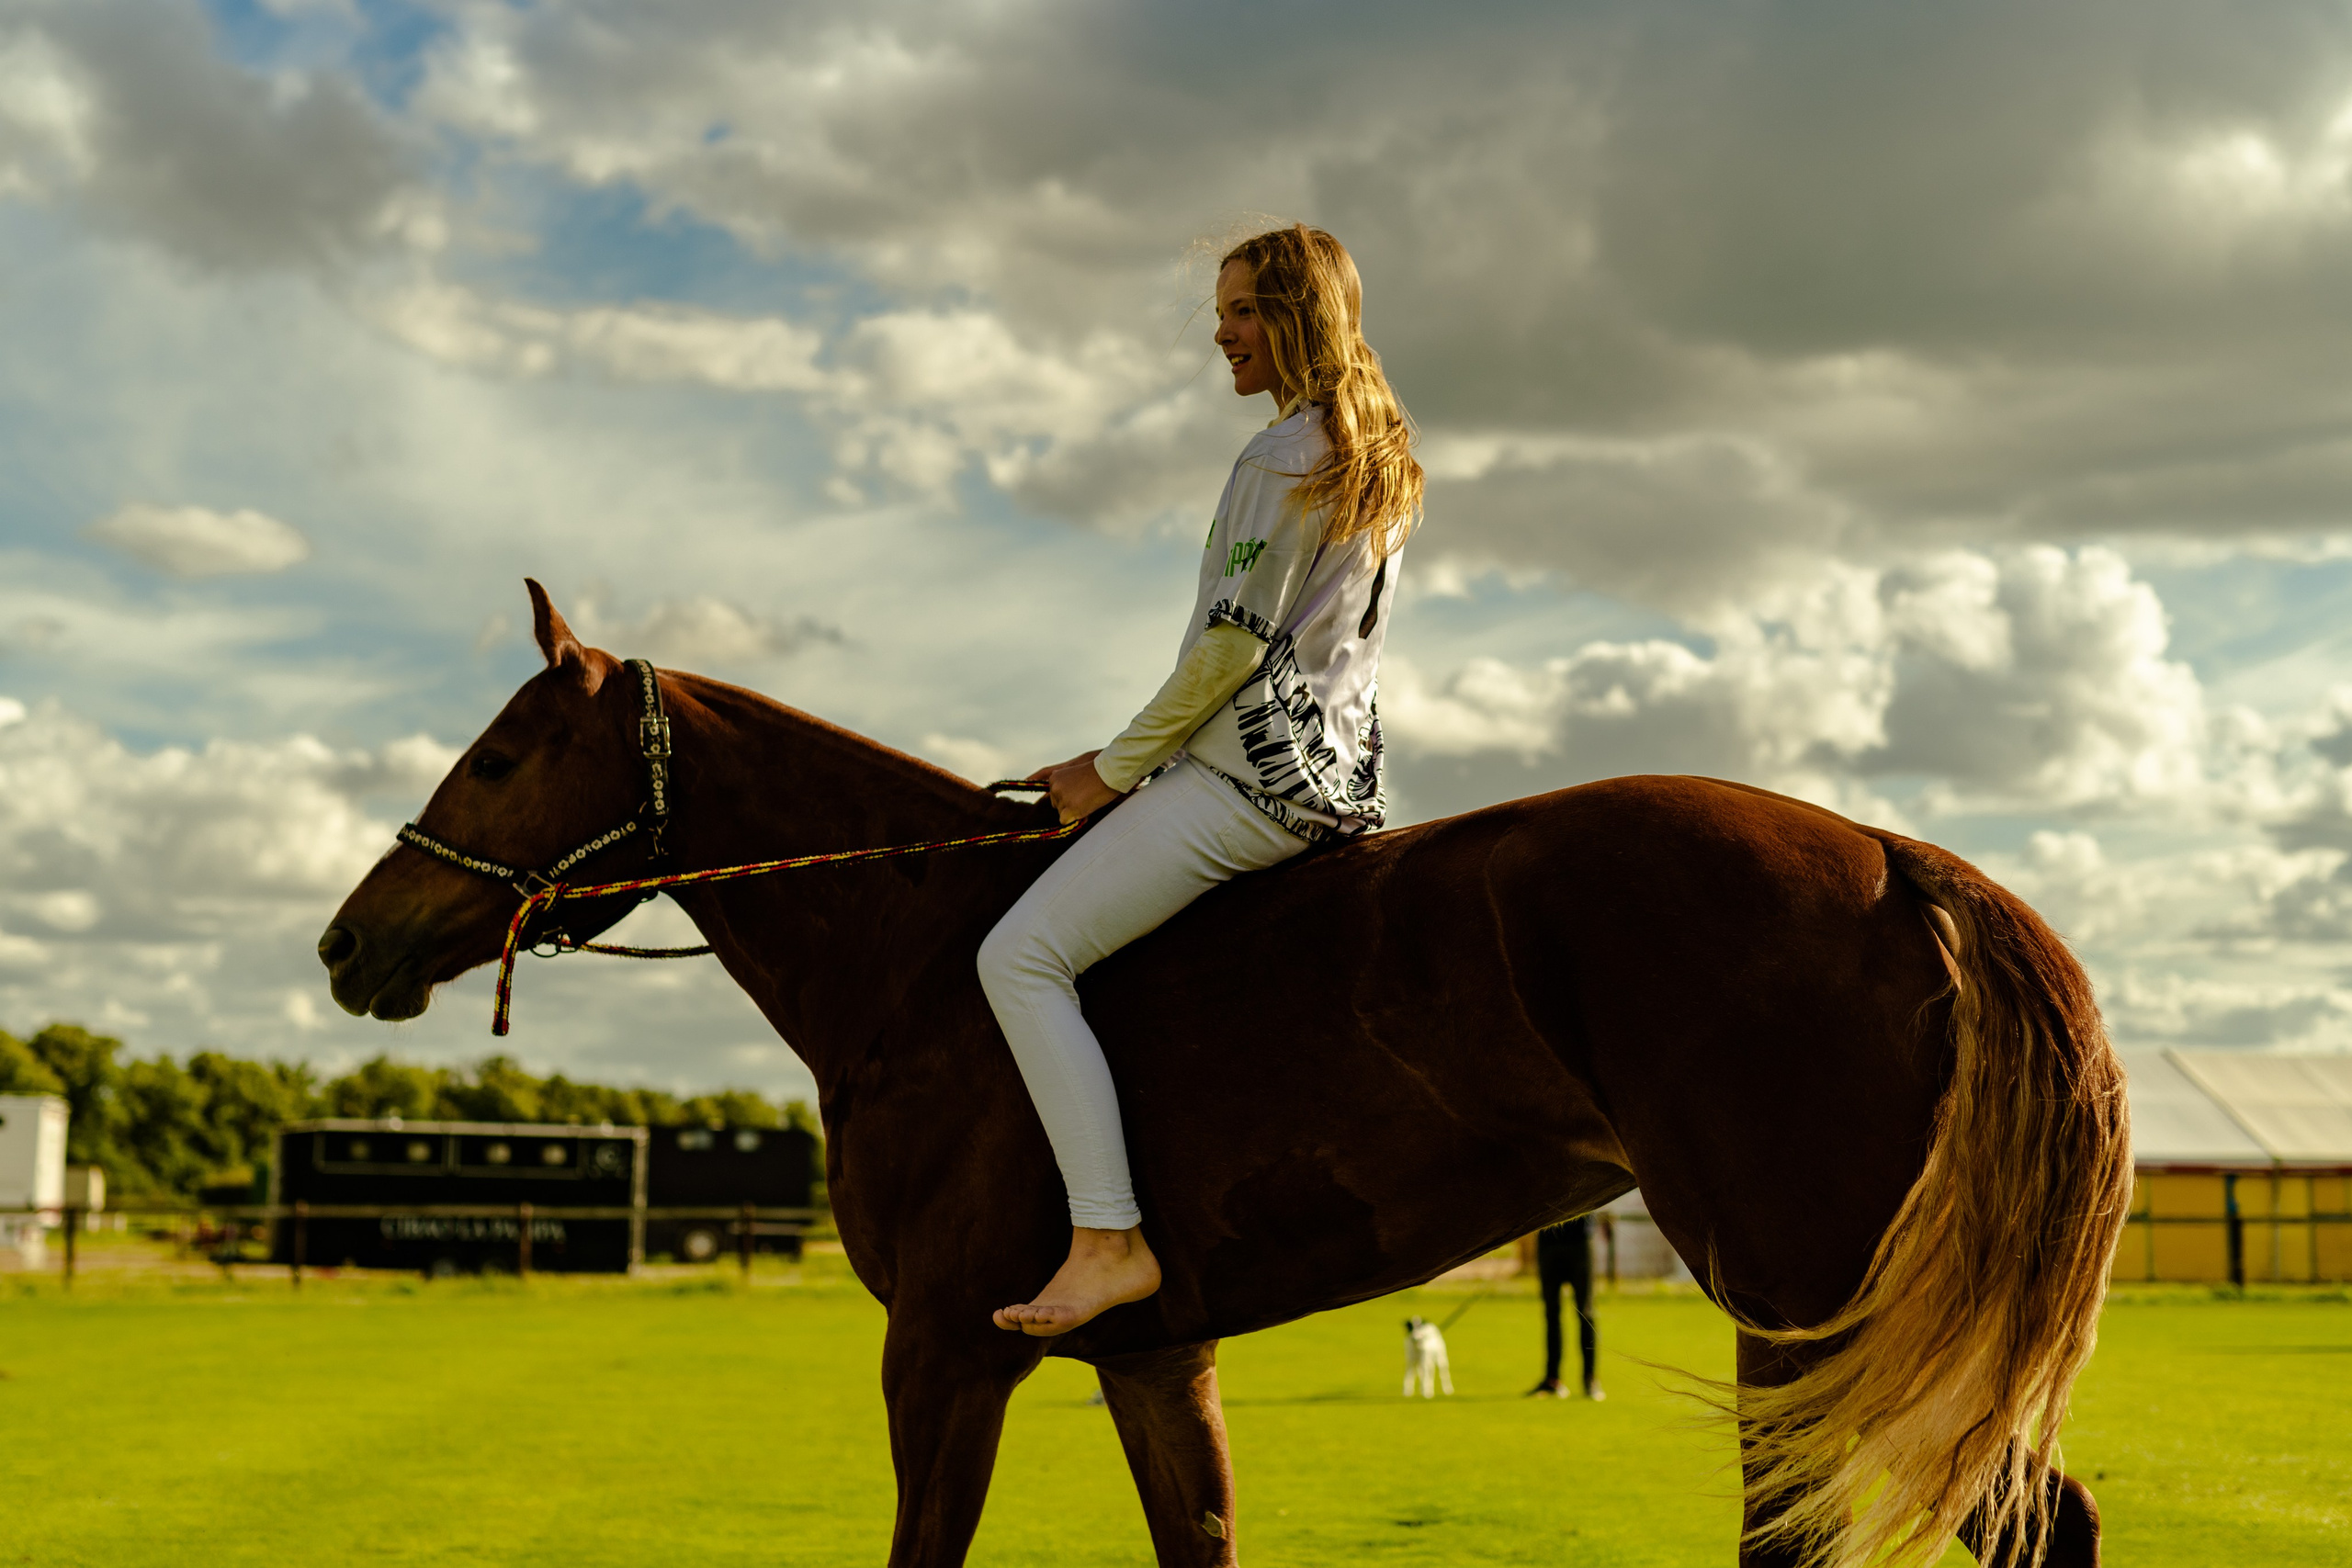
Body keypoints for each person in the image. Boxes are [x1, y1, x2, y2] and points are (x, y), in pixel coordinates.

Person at [980, 224, 1420, 1335]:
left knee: (1020, 957)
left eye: (1239, 313)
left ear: (1296, 318)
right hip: (1342, 782)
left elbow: (1230, 645)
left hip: (1248, 788)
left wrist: (1109, 770)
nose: (1219, 335)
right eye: (1219, 312)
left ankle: (1107, 1240)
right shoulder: (1377, 450)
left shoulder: (1281, 454)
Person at [1527, 1216, 1603, 1399]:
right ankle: (1552, 1380)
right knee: (1551, 1314)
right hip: (1548, 1241)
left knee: (1586, 1313)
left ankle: (1590, 1379)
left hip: (1579, 1242)